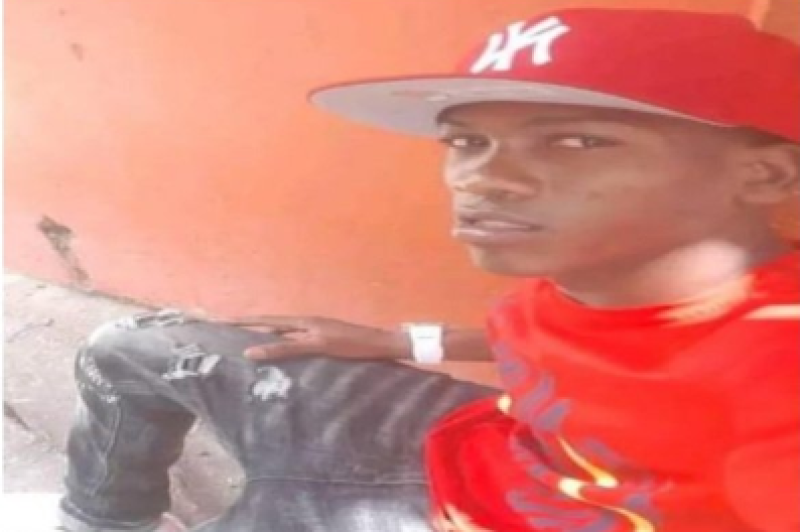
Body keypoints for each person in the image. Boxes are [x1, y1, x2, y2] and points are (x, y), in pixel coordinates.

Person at [58, 8, 799, 532]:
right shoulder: (612, 263)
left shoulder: (775, 363)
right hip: (471, 446)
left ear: (764, 175)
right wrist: (398, 342)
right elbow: (562, 338)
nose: (484, 178)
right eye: (467, 141)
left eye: (577, 142)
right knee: (134, 347)